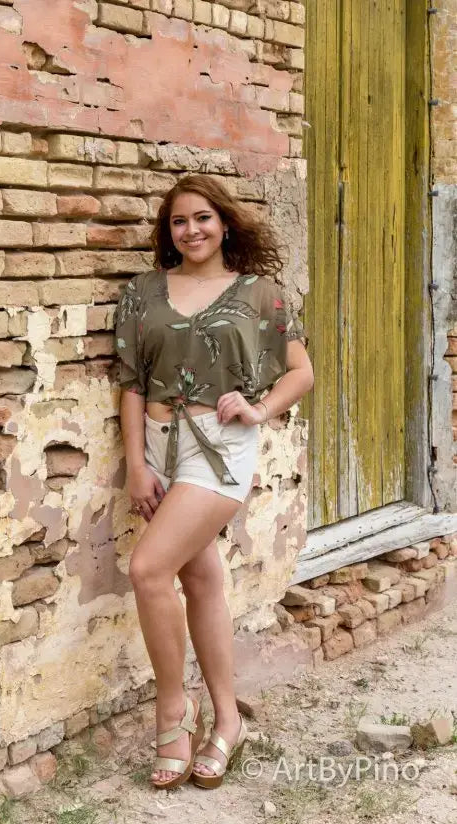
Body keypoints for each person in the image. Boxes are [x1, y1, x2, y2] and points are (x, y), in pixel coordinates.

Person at [113, 174, 314, 790]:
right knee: (200, 579)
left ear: (225, 223)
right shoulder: (142, 292)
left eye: (202, 218)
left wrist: (258, 409)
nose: (191, 230)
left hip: (219, 451)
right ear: (167, 232)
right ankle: (228, 720)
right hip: (156, 445)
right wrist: (137, 466)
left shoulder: (259, 294)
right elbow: (130, 383)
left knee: (148, 570)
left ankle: (173, 713)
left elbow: (301, 372)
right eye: (178, 221)